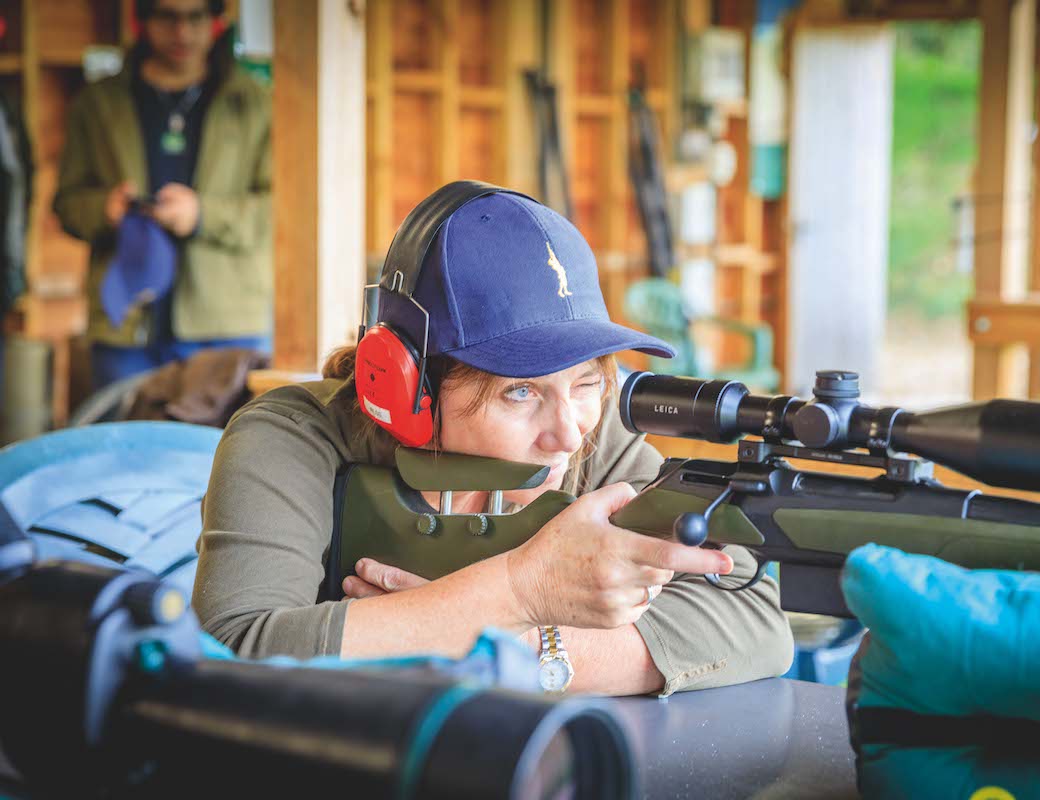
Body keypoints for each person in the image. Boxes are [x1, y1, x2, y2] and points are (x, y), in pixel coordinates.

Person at [194, 185, 794, 696]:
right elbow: (234, 652)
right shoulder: (292, 439)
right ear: (408, 385)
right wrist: (520, 588)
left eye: (586, 381)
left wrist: (514, 649)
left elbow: (752, 618)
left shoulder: (596, 436)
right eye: (520, 393)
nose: (568, 432)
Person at [53, 0, 272, 392]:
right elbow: (67, 203)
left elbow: (280, 211)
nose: (182, 33)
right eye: (168, 17)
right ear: (144, 20)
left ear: (216, 21)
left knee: (227, 451)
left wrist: (202, 214)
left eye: (195, 17)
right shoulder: (99, 103)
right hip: (128, 322)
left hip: (228, 322)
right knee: (125, 449)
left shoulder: (256, 103)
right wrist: (105, 209)